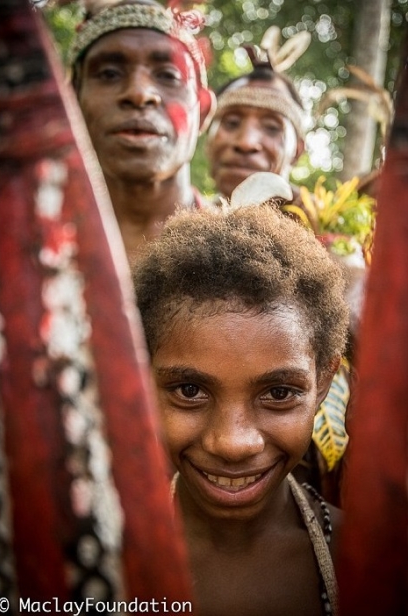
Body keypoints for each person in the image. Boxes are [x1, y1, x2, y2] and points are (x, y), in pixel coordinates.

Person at [132, 204, 348, 615]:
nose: (232, 443)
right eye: (190, 390)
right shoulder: (92, 565)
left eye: (280, 393)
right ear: (142, 380)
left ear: (322, 383)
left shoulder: (376, 560)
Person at [68, 0, 215, 263]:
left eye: (169, 75)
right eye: (109, 74)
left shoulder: (255, 258)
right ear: (72, 102)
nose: (139, 93)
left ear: (202, 110)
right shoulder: (24, 245)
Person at [205, 48, 307, 204]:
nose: (246, 142)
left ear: (297, 151)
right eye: (231, 123)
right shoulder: (170, 222)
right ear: (208, 141)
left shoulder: (332, 225)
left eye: (272, 127)